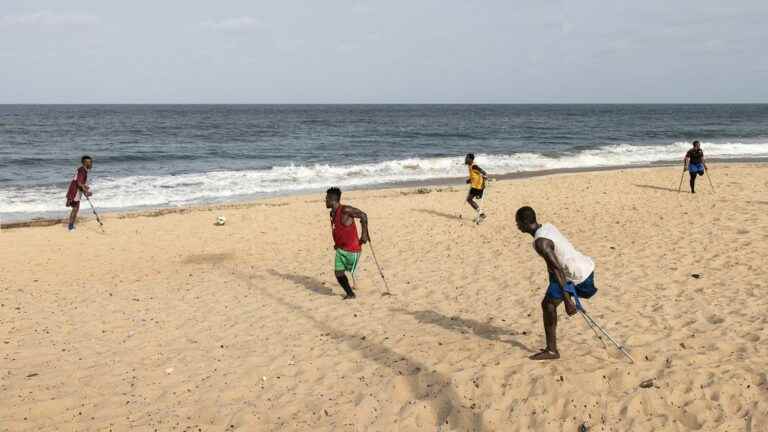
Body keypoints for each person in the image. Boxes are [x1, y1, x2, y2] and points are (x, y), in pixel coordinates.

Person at [515, 206, 597, 360]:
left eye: (518, 223)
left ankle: (552, 351)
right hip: (584, 266)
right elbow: (552, 266)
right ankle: (551, 348)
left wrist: (567, 300)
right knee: (547, 302)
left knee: (548, 305)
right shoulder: (547, 227)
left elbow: (557, 269)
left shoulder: (541, 243)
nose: (517, 226)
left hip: (578, 275)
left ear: (525, 223)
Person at [325, 187, 370, 300]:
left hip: (352, 249)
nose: (325, 201)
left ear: (332, 199)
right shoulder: (332, 213)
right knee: (338, 273)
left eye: (326, 199)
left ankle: (356, 282)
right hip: (341, 249)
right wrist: (337, 243)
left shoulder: (346, 210)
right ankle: (350, 294)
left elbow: (363, 215)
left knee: (352, 270)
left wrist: (364, 234)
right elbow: (337, 229)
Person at [65, 155, 93, 231]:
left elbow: (80, 183)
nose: (91, 164)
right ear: (85, 163)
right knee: (75, 208)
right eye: (90, 162)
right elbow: (79, 183)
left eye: (91, 162)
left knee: (76, 208)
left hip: (76, 190)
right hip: (75, 191)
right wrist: (86, 191)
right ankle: (70, 227)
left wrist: (85, 189)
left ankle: (71, 225)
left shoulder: (82, 170)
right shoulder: (82, 171)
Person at [464, 153, 488, 220]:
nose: (465, 159)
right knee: (470, 200)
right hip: (475, 186)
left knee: (469, 200)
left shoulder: (474, 166)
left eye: (467, 158)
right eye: (466, 157)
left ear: (471, 159)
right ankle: (481, 214)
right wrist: (469, 180)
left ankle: (482, 215)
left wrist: (484, 179)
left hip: (477, 187)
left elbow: (484, 172)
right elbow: (476, 175)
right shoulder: (470, 166)